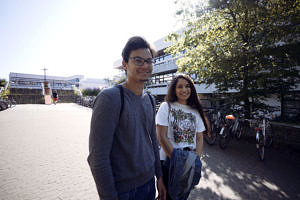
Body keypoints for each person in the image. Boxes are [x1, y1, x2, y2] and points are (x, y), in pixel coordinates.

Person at [88, 36, 166, 200]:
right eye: (138, 60)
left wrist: (159, 177)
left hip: (149, 185)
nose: (145, 65)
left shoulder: (150, 100)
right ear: (125, 64)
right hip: (123, 191)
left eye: (149, 61)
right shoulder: (110, 98)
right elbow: (97, 158)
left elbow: (153, 141)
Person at [156, 74, 209, 200]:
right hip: (169, 162)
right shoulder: (166, 106)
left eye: (187, 86)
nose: (184, 90)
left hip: (188, 161)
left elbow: (199, 138)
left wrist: (196, 159)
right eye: (180, 87)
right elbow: (161, 136)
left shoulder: (195, 111)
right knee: (167, 197)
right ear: (174, 89)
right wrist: (177, 160)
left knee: (182, 196)